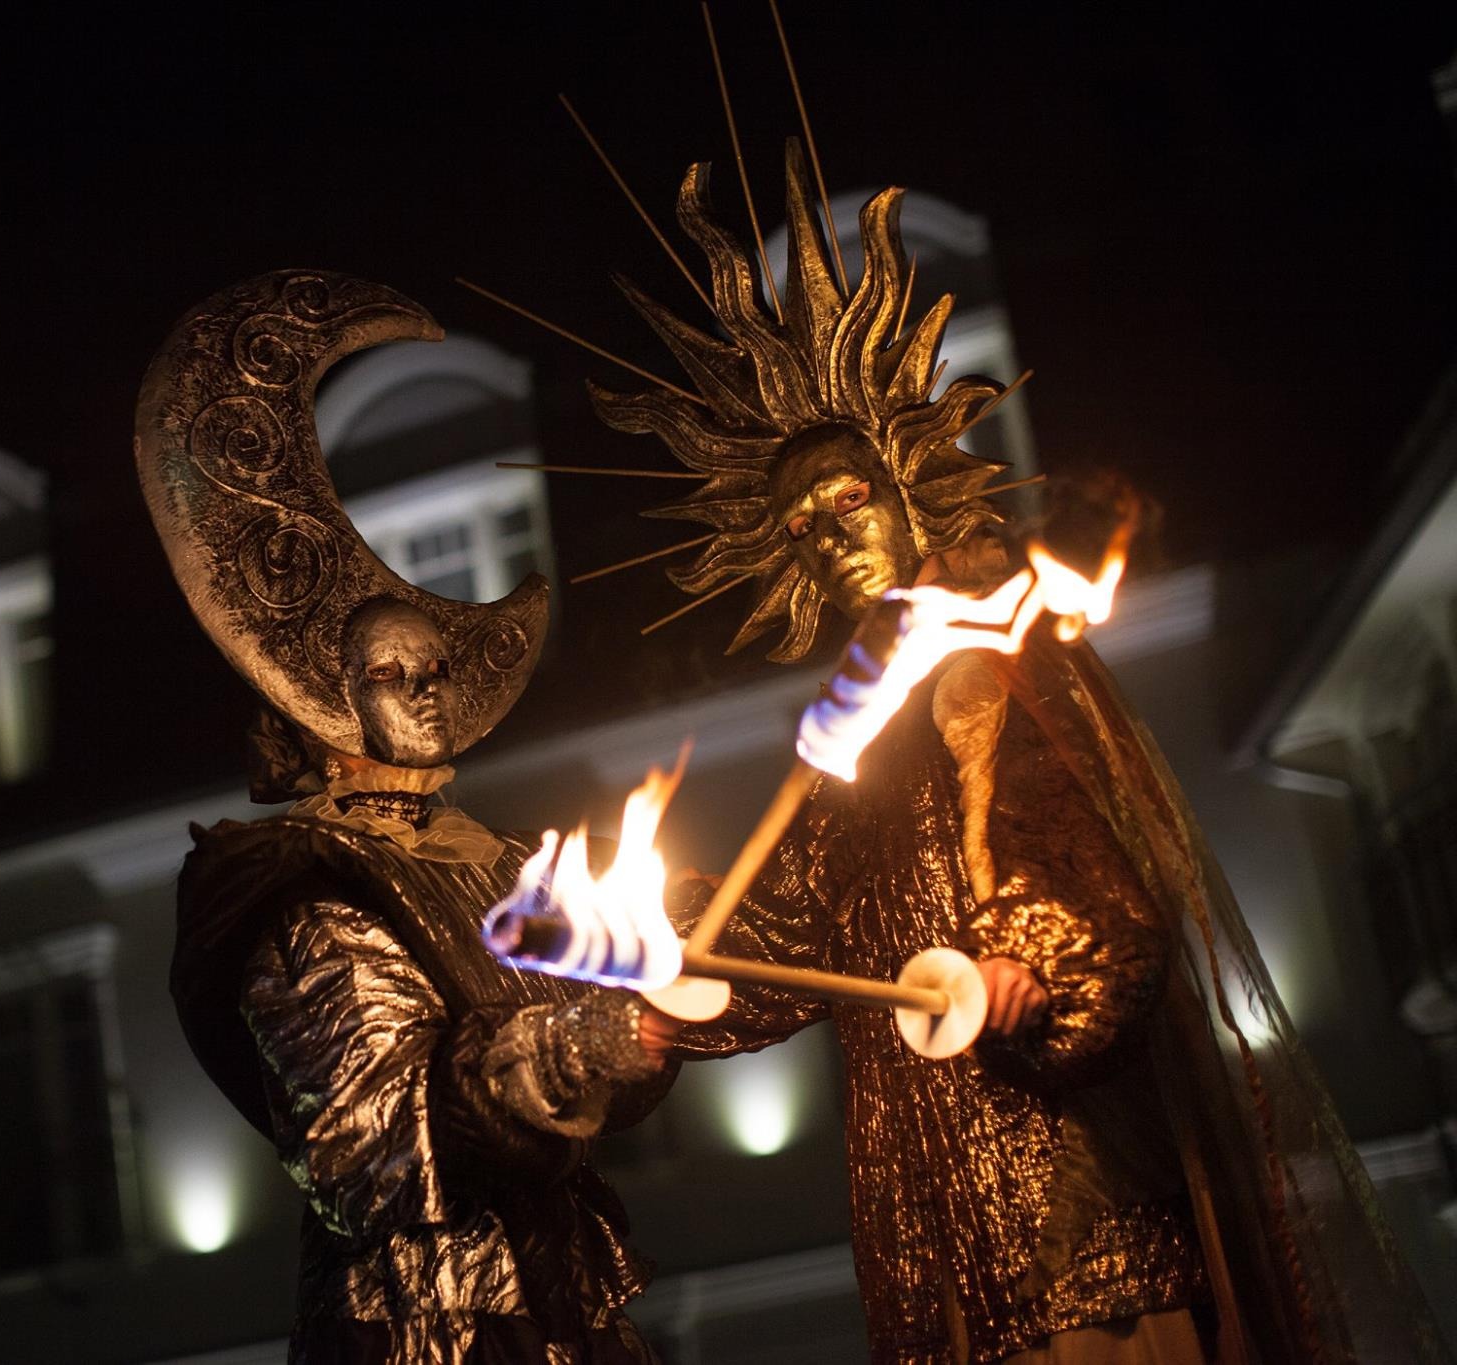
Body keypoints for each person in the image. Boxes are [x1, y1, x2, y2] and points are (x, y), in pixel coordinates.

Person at [588, 144, 1448, 1364]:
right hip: (943, 1242)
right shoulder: (844, 764)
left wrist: (1026, 967)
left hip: (1078, 1214)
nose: (825, 537)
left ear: (905, 495)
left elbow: (1102, 880)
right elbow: (766, 946)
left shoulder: (996, 661)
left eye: (843, 500)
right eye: (794, 528)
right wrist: (654, 964)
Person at [138, 270, 676, 1363]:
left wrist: (653, 1000)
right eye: (393, 671)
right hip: (425, 1323)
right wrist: (565, 1046)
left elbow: (613, 1072)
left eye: (434, 664)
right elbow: (372, 1138)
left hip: (565, 1303)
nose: (426, 689)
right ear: (332, 696)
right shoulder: (301, 891)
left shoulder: (504, 865)